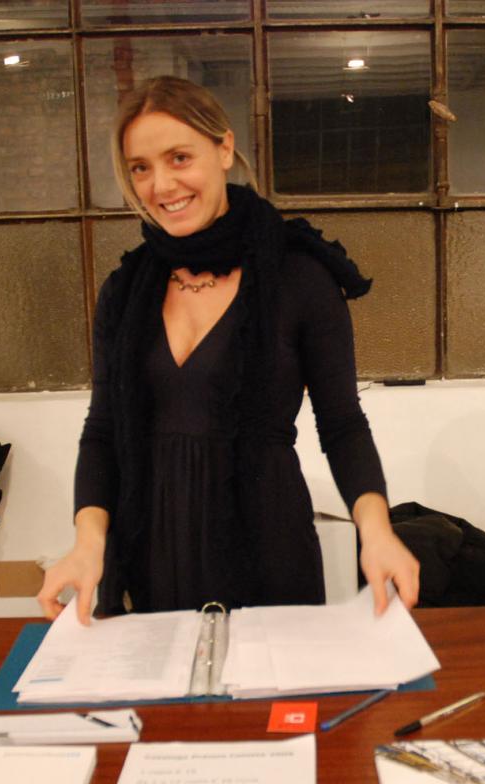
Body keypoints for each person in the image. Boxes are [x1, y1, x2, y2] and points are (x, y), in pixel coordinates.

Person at [38, 76, 419, 623]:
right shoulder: (126, 291)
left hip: (267, 552)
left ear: (223, 149)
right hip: (150, 556)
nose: (161, 185)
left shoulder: (297, 277)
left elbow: (342, 425)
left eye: (179, 158)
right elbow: (102, 431)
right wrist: (87, 543)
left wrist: (377, 532)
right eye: (140, 168)